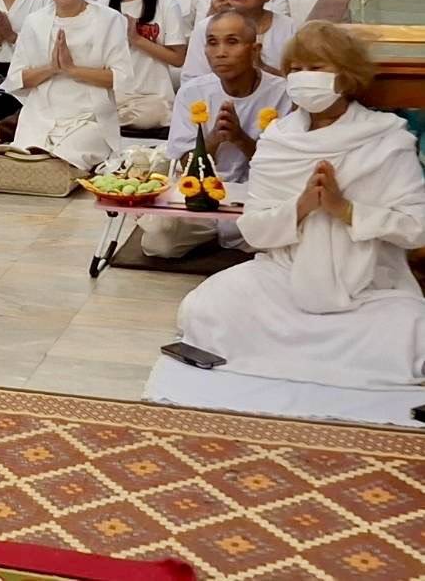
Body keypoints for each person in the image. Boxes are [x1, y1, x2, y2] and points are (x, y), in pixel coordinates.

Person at [175, 23, 425, 389]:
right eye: (296, 69)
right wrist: (302, 206)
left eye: (317, 68)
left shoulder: (386, 138)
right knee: (206, 305)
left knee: (413, 330)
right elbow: (255, 229)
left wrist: (346, 210)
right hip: (284, 277)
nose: (303, 77)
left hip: (368, 286)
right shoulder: (279, 139)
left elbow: (416, 225)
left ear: (345, 74)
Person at [139, 11, 292, 258]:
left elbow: (284, 168)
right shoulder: (192, 92)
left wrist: (240, 138)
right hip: (203, 196)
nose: (220, 52)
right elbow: (184, 165)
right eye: (212, 43)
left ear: (254, 50)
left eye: (232, 42)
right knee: (159, 243)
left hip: (258, 197)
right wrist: (213, 140)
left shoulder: (282, 93)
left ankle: (231, 236)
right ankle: (218, 234)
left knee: (287, 238)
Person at [6, 0, 129, 168]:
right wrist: (52, 68)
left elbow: (120, 78)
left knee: (65, 159)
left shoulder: (109, 20)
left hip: (89, 118)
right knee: (26, 161)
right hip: (40, 114)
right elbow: (17, 79)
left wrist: (72, 69)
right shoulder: (35, 22)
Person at [110, 0, 185, 129]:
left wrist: (137, 40)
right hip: (114, 97)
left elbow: (178, 58)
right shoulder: (103, 6)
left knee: (149, 115)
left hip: (152, 98)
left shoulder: (166, 4)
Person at [181, 0, 295, 81]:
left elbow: (298, 82)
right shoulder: (206, 27)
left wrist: (261, 68)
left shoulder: (290, 29)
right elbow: (191, 81)